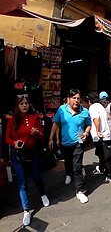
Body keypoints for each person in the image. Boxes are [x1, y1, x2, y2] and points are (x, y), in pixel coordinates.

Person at [5, 95, 50, 226]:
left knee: (36, 176)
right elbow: (7, 138)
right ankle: (26, 210)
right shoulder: (12, 120)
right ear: (17, 105)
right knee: (22, 181)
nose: (24, 105)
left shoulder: (34, 117)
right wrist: (14, 143)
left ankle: (43, 194)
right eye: (21, 104)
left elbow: (42, 137)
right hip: (18, 154)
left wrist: (36, 133)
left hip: (33, 152)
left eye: (26, 103)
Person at [48, 89, 91, 204]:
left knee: (77, 167)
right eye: (74, 98)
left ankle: (79, 191)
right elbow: (56, 123)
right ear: (68, 99)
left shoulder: (85, 111)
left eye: (78, 98)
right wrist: (51, 138)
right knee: (67, 161)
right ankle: (68, 174)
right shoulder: (62, 110)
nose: (76, 101)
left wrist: (86, 132)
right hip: (65, 143)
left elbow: (88, 124)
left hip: (78, 142)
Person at [88, 92, 111, 183]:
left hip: (100, 135)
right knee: (102, 153)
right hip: (106, 134)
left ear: (89, 101)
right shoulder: (101, 106)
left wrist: (97, 131)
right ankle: (101, 168)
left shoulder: (93, 107)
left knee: (105, 155)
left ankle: (110, 175)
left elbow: (96, 119)